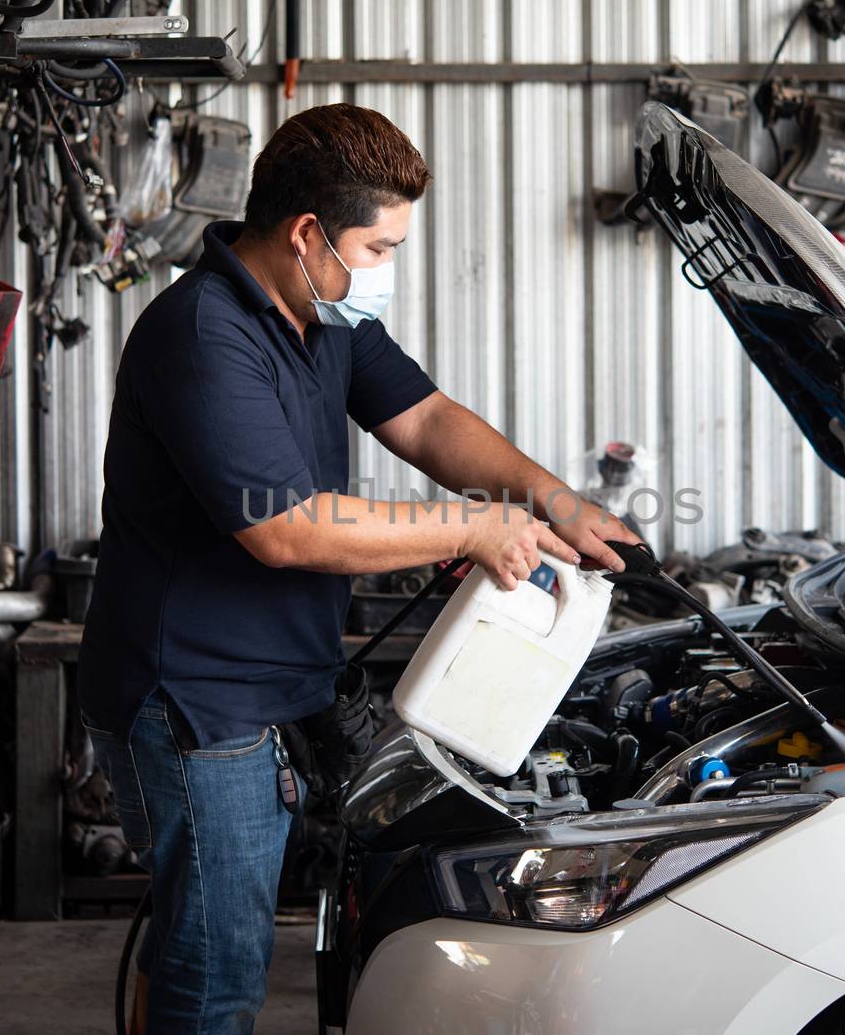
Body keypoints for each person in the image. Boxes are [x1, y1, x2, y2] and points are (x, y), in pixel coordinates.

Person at [76, 103, 638, 1034]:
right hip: (195, 700)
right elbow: (287, 529)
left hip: (272, 687)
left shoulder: (322, 313)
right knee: (212, 975)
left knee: (200, 943)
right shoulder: (203, 334)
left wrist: (556, 502)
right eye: (378, 248)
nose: (386, 271)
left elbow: (425, 420)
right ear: (307, 235)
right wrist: (472, 529)